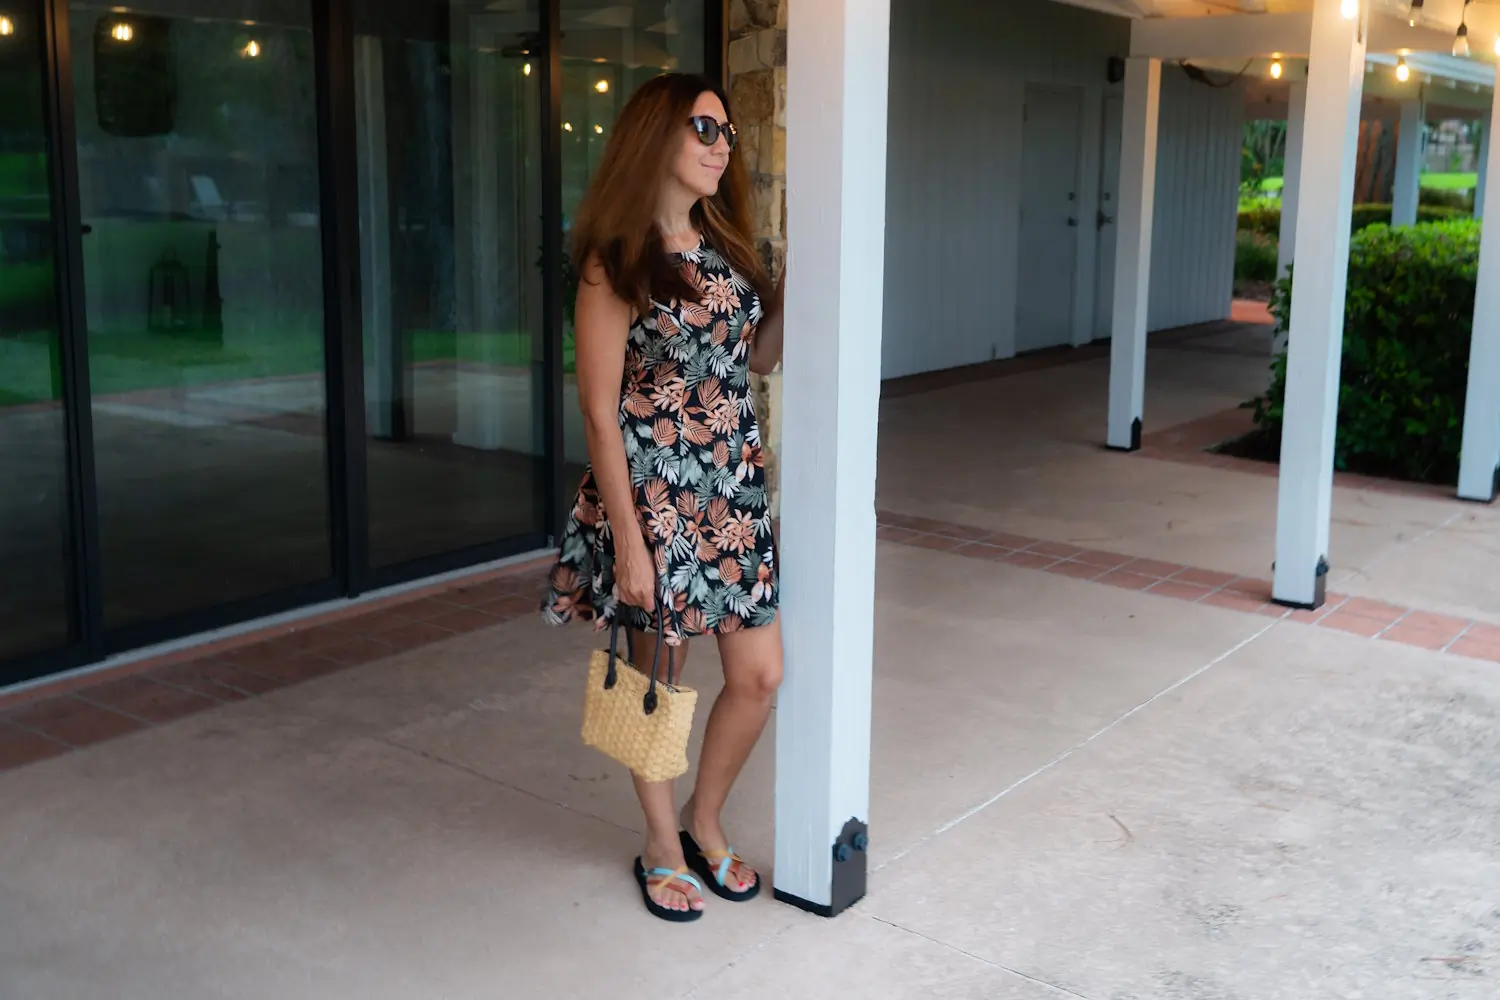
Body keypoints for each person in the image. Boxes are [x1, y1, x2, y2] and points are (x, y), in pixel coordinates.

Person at [541, 73, 786, 923]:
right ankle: (658, 843)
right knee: (660, 680)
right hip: (656, 501)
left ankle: (701, 820)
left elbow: (753, 361)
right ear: (655, 138)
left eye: (726, 132)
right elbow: (598, 417)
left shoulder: (727, 248)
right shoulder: (618, 260)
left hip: (734, 492)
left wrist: (789, 291)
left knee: (760, 675)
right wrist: (634, 545)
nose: (722, 145)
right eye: (703, 128)